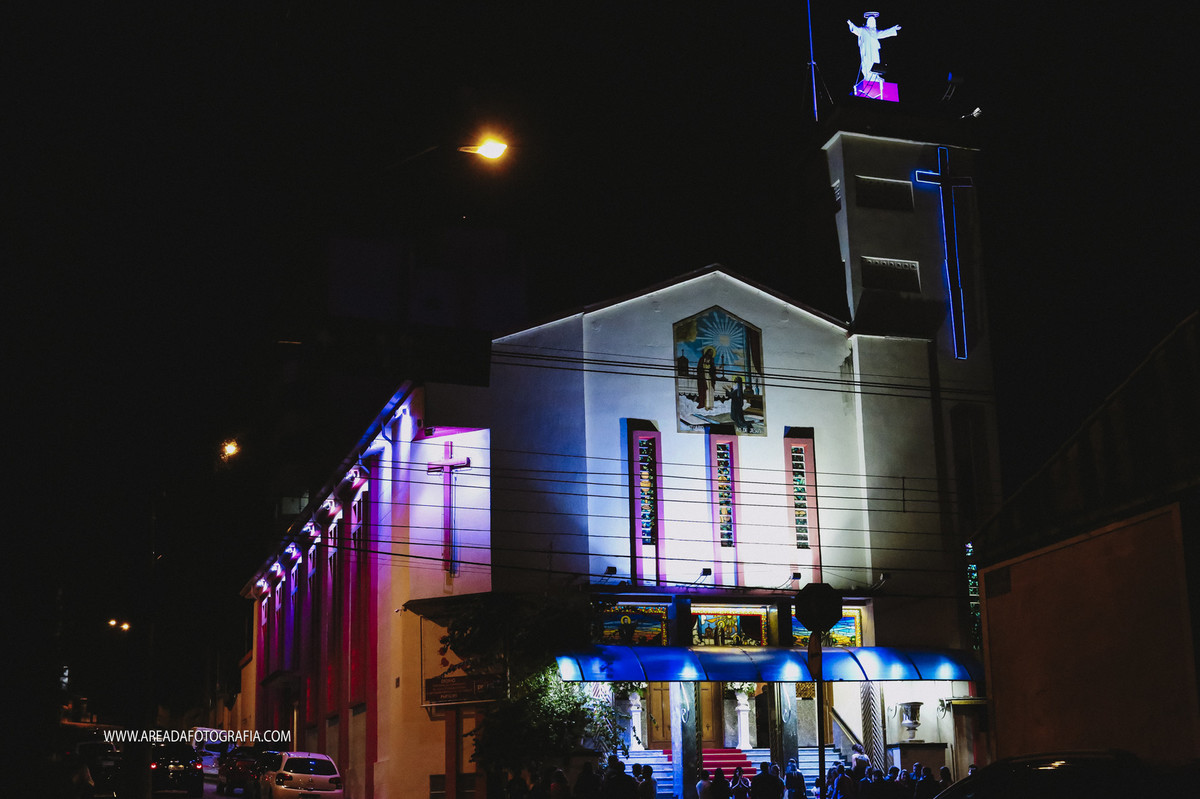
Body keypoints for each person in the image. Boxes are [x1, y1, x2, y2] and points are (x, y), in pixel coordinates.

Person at [846, 13, 900, 84]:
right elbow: (855, 29)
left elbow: (884, 33)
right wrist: (850, 23)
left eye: (873, 21)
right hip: (866, 50)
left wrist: (894, 28)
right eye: (871, 21)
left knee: (876, 61)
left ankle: (875, 76)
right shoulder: (863, 30)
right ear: (868, 22)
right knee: (867, 62)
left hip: (874, 50)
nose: (872, 22)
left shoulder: (875, 32)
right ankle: (868, 76)